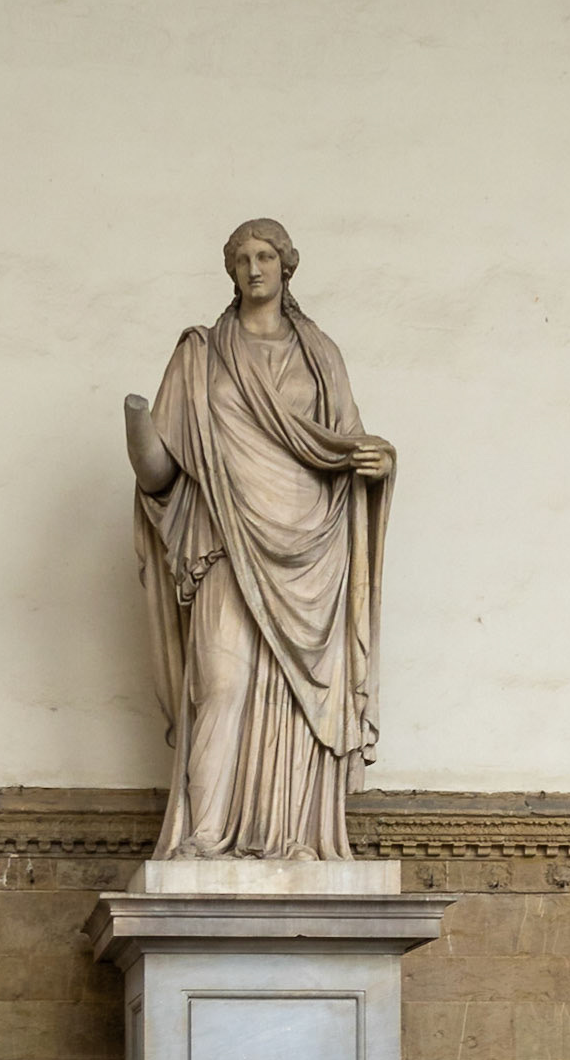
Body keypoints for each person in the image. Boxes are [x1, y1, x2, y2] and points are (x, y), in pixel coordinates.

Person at [125, 218, 395, 861]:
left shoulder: (319, 353)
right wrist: (137, 422)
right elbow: (161, 473)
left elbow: (348, 441)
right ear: (231, 270)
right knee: (222, 683)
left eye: (266, 255)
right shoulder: (199, 355)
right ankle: (205, 834)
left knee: (302, 698)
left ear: (286, 266)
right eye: (242, 257)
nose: (254, 267)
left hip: (312, 553)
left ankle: (297, 837)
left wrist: (379, 463)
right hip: (226, 540)